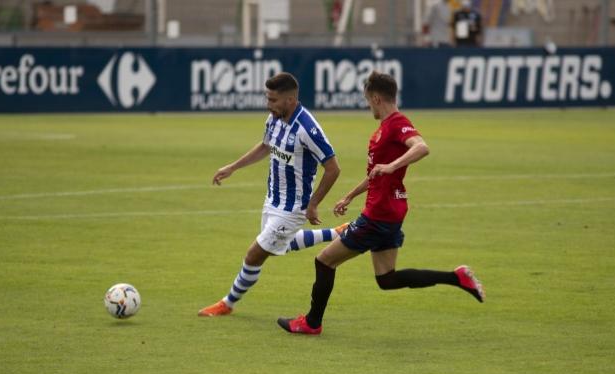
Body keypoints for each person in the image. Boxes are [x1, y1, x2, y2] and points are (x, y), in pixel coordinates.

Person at [277, 71, 485, 335]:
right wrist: (350, 196)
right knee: (387, 279)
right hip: (388, 213)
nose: (368, 106)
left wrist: (392, 165)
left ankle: (311, 323)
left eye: (367, 101)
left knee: (324, 261)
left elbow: (422, 147)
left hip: (379, 214)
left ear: (376, 98)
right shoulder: (383, 130)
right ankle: (457, 277)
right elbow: (376, 173)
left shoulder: (398, 124)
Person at [198, 72, 342, 317]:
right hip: (272, 200)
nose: (268, 104)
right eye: (268, 98)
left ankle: (227, 303)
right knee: (278, 247)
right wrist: (233, 167)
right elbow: (266, 145)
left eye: (273, 100)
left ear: (290, 100)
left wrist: (313, 204)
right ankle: (337, 233)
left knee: (255, 253)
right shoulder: (274, 119)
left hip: (294, 207)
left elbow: (333, 168)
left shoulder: (307, 128)